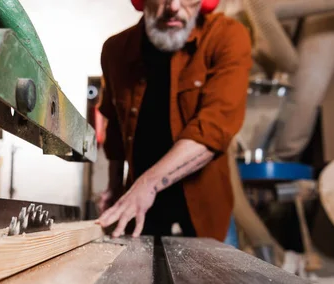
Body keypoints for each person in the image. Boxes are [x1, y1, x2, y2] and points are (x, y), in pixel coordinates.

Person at [96, 0, 252, 240]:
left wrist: (147, 183)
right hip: (142, 205)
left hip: (204, 204)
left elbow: (213, 129)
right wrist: (114, 187)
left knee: (213, 275)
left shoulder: (226, 36)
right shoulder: (115, 51)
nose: (174, 7)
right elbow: (115, 131)